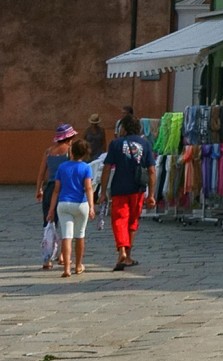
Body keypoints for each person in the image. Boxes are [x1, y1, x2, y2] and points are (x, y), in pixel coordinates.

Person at [103, 110, 154, 273]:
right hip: (138, 189)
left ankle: (122, 252)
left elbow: (106, 168)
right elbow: (152, 171)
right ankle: (128, 255)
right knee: (132, 221)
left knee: (119, 220)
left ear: (124, 128)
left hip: (119, 188)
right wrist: (151, 195)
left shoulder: (116, 144)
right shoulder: (145, 144)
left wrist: (103, 191)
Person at [51, 137, 95, 277]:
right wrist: (92, 206)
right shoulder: (86, 168)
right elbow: (88, 188)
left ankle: (66, 269)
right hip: (81, 204)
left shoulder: (62, 167)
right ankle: (78, 265)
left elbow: (56, 190)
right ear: (84, 153)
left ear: (72, 151)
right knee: (80, 235)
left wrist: (51, 209)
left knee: (67, 236)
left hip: (64, 203)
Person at [35, 124, 77, 271]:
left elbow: (41, 173)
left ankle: (47, 259)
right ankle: (63, 256)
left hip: (50, 189)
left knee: (49, 223)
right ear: (69, 138)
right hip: (65, 189)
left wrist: (39, 189)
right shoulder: (70, 151)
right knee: (66, 223)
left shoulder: (48, 152)